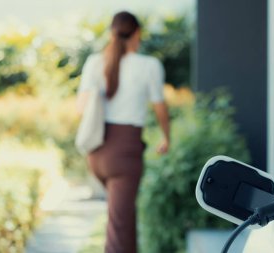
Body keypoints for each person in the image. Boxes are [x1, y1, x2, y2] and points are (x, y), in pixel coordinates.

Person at [76, 11, 170, 253]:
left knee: (123, 218)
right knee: (120, 224)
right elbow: (160, 108)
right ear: (137, 33)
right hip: (125, 154)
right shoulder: (149, 65)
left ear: (112, 34)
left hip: (97, 153)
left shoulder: (94, 62)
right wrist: (166, 137)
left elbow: (80, 109)